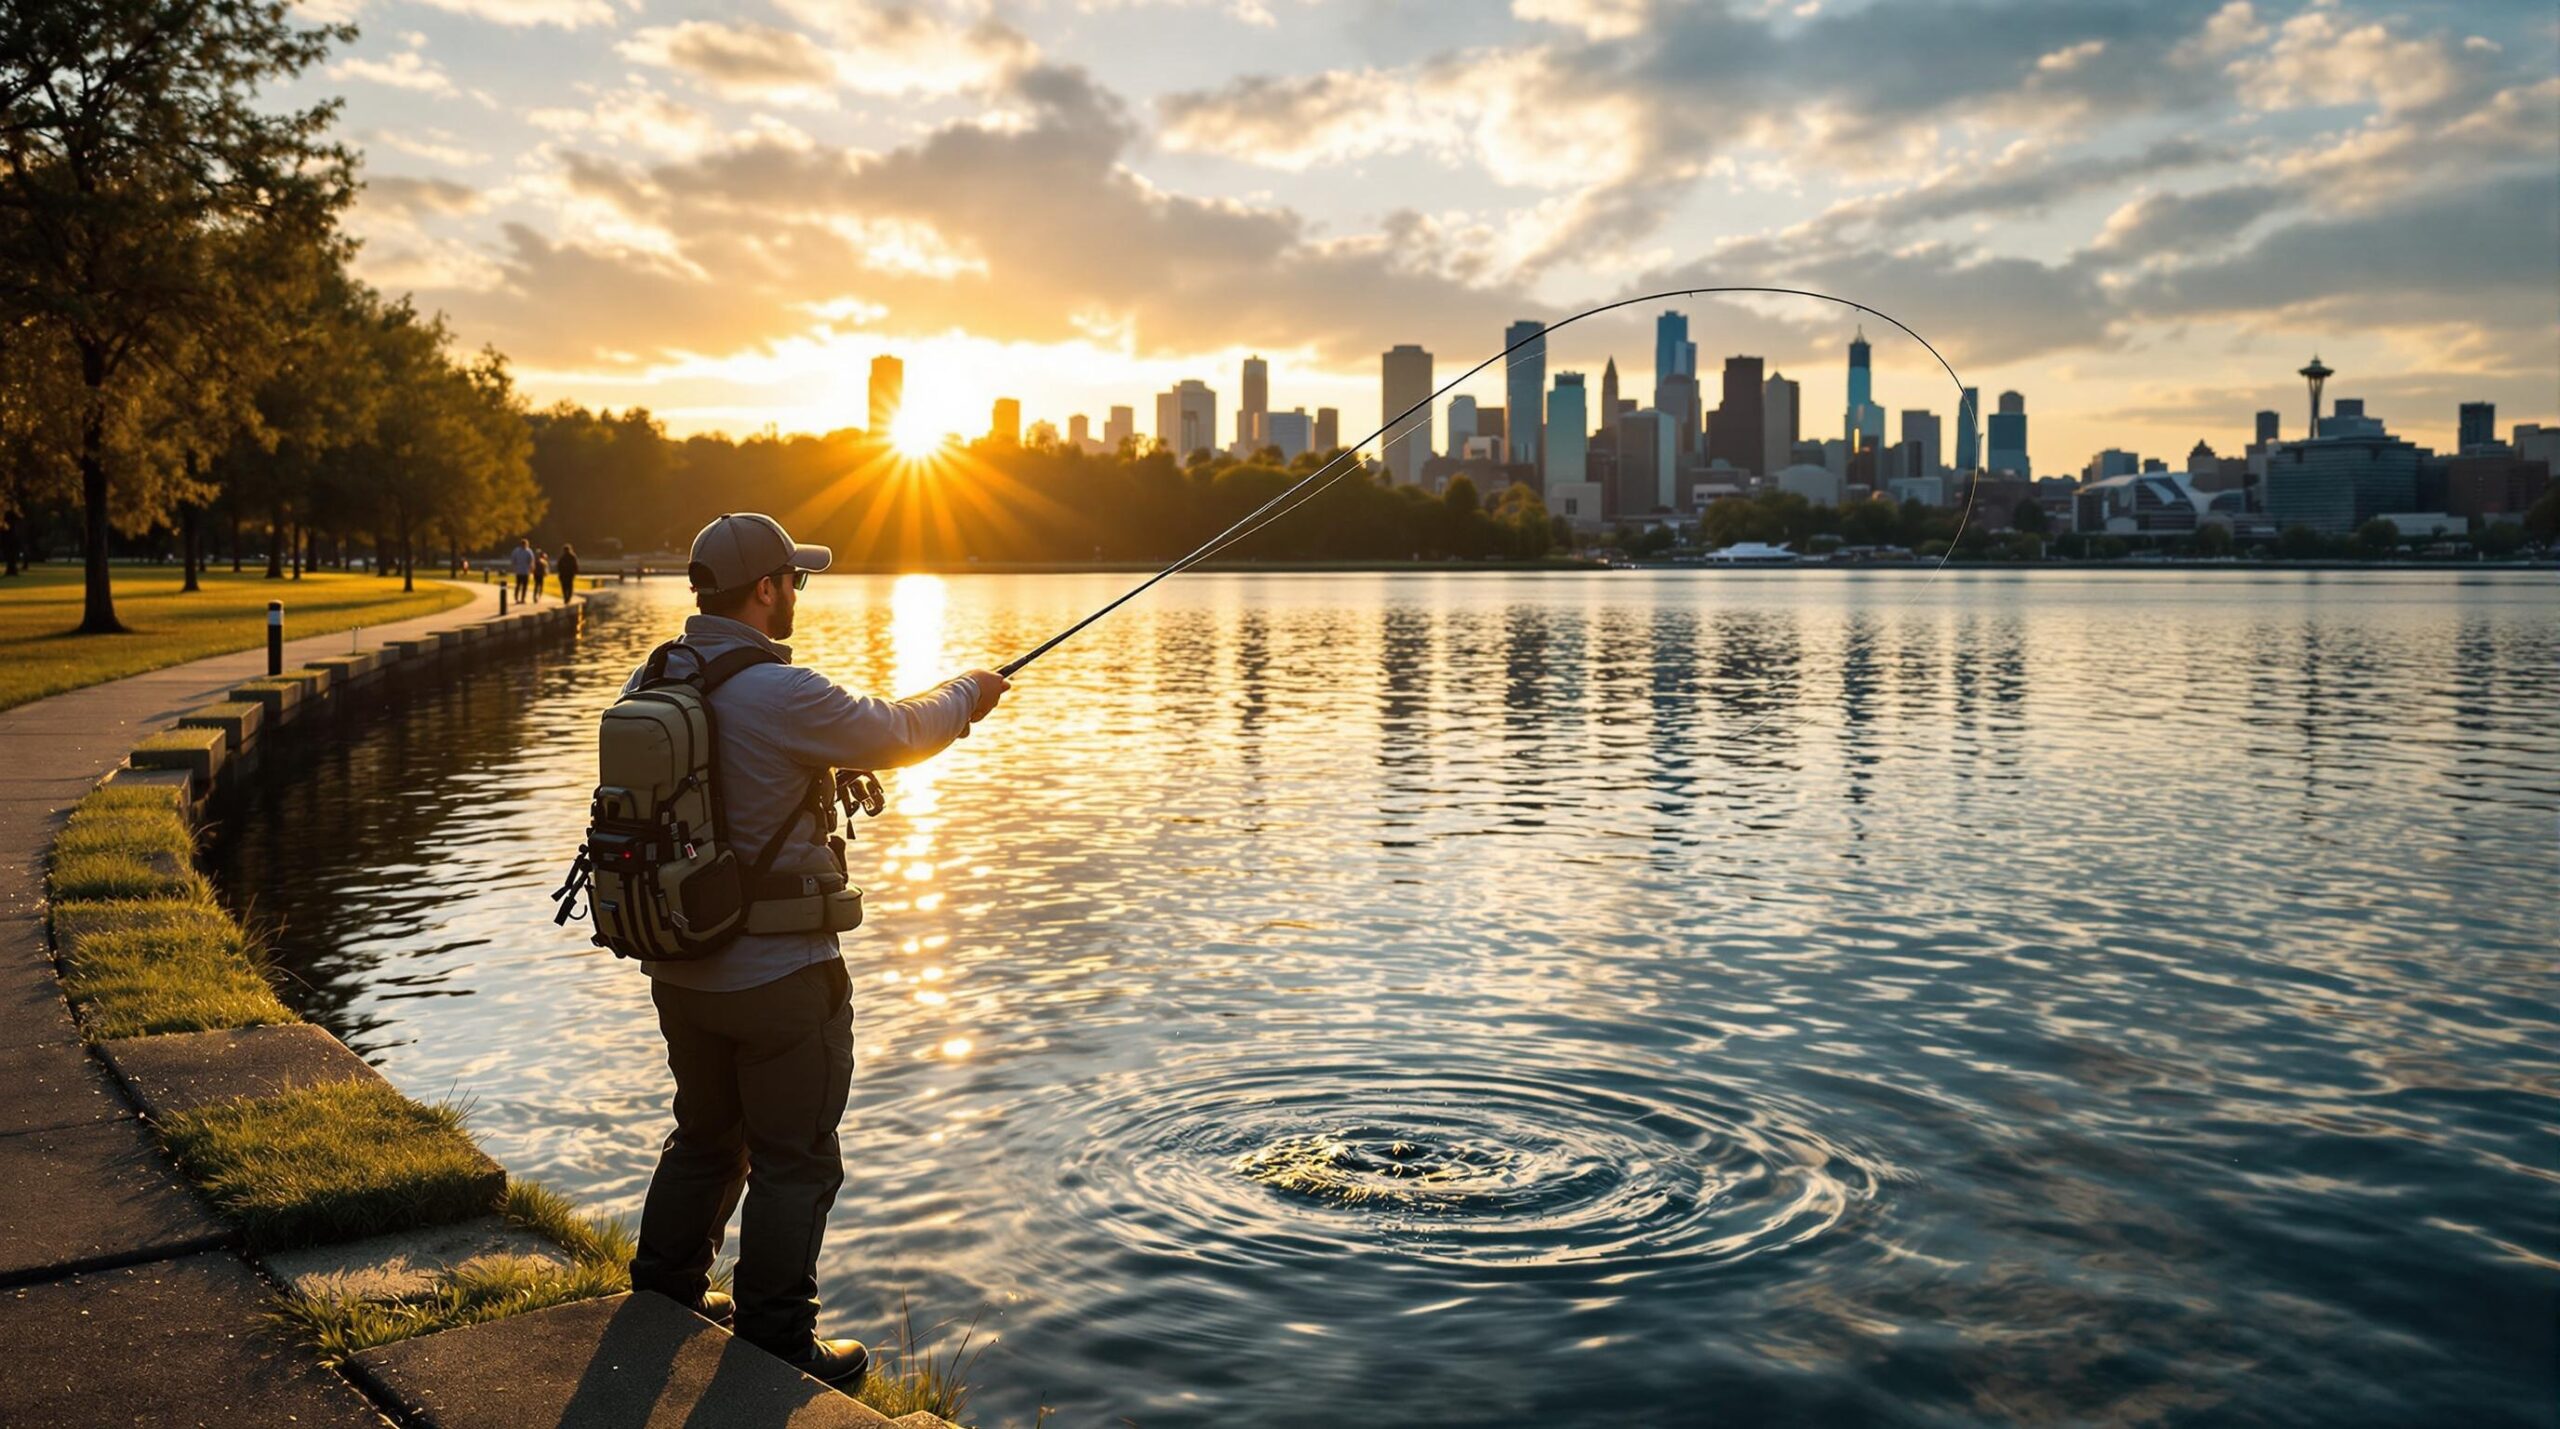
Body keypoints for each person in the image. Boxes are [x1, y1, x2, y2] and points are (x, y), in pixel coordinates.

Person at [623, 512, 1008, 1385]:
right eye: (794, 578)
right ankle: (776, 1341)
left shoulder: (653, 674)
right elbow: (901, 731)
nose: (798, 591)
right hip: (780, 975)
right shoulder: (779, 692)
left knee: (706, 1135)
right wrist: (971, 689)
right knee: (796, 1156)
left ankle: (664, 1289)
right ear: (765, 587)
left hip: (680, 966)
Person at [509, 537, 533, 602]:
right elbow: (531, 561)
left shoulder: (516, 551)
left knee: (518, 585)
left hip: (519, 571)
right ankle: (522, 598)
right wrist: (531, 570)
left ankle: (517, 598)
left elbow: (513, 560)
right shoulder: (529, 551)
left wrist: (514, 567)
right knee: (523, 586)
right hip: (525, 571)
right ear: (526, 544)